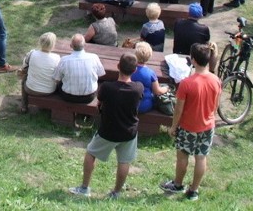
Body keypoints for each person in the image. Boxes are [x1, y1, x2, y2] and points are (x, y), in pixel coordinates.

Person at [68, 53, 143, 200]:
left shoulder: (107, 87)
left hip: (108, 130)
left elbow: (100, 102)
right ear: (134, 71)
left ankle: (84, 188)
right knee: (124, 161)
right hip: (129, 131)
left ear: (118, 67)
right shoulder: (138, 88)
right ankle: (116, 192)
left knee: (90, 153)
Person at [161, 43, 221, 201]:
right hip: (207, 126)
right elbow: (216, 104)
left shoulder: (187, 83)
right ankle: (194, 190)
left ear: (193, 60)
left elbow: (179, 109)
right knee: (201, 158)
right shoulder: (216, 80)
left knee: (182, 157)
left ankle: (178, 184)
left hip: (188, 127)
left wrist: (173, 127)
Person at [54, 33, 106, 104]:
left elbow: (56, 79)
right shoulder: (94, 57)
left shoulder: (64, 60)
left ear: (71, 46)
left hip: (68, 96)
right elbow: (101, 74)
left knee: (59, 85)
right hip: (89, 97)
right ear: (84, 45)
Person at [19, 32, 61, 112]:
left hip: (30, 89)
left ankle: (24, 106)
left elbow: (24, 66)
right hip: (49, 91)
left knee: (24, 79)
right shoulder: (57, 58)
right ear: (53, 44)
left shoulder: (32, 54)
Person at [132, 42, 169, 113]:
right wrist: (166, 88)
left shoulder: (130, 69)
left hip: (131, 104)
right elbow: (157, 91)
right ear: (150, 56)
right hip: (144, 106)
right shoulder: (150, 73)